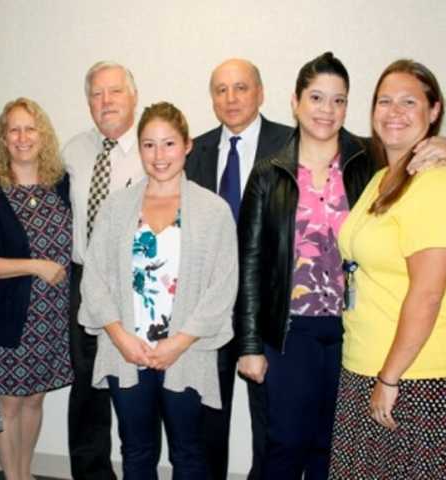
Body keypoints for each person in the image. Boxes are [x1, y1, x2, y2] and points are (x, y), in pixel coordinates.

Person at [235, 52, 446, 480]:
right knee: (285, 444)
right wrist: (250, 344)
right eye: (316, 97)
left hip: (355, 330)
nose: (327, 110)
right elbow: (251, 264)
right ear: (295, 102)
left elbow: (441, 167)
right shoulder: (268, 173)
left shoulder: (372, 159)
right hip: (290, 330)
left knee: (335, 448)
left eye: (339, 100)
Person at [329, 59, 446, 478]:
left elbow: (428, 293)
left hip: (425, 380)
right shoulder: (382, 176)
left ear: (434, 111)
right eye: (384, 101)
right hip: (370, 365)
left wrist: (390, 377)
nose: (394, 112)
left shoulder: (438, 184)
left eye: (408, 101)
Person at [79, 101, 237, 479]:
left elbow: (223, 286)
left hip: (186, 352)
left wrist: (177, 343)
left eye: (168, 144)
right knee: (136, 451)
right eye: (149, 145)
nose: (159, 155)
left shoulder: (213, 210)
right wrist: (120, 337)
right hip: (127, 352)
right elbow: (94, 278)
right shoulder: (116, 208)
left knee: (188, 453)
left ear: (187, 145)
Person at [185, 58, 290, 480]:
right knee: (210, 416)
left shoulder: (292, 144)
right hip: (210, 307)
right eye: (221, 90)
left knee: (271, 420)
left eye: (241, 88)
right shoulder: (195, 150)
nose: (230, 98)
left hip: (269, 307)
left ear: (260, 93)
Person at [0, 98, 74, 480]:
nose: (22, 137)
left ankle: (26, 471)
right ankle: (13, 475)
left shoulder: (63, 185)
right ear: (3, 138)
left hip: (54, 318)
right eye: (14, 129)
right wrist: (35, 266)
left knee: (34, 399)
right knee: (8, 403)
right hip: (12, 317)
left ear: (43, 135)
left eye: (30, 128)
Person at [61, 60, 146, 480]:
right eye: (96, 94)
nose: (105, 101)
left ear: (133, 96)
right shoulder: (72, 151)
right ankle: (91, 474)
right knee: (86, 383)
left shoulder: (153, 150)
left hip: (135, 284)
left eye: (114, 92)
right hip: (82, 282)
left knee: (133, 385)